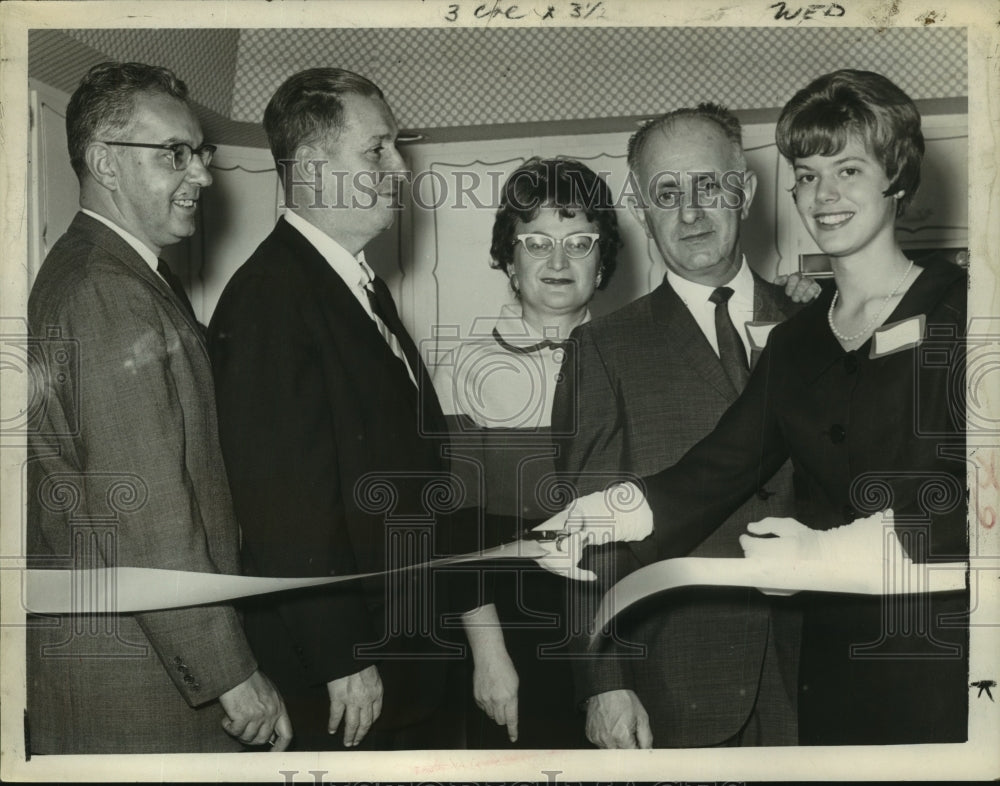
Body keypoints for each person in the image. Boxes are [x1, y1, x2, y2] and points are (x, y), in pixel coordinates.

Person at [547, 69, 968, 746]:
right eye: (806, 173)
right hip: (831, 675)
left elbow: (981, 508)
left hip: (946, 667)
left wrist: (833, 552)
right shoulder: (799, 342)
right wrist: (602, 515)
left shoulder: (967, 309)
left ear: (897, 173)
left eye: (849, 169)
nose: (824, 195)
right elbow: (712, 471)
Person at [26, 61, 291, 754]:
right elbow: (146, 509)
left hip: (143, 656)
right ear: (105, 163)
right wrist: (231, 673)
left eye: (199, 153)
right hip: (140, 682)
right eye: (175, 154)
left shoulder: (118, 273)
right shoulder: (106, 291)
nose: (202, 174)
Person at [208, 67, 462, 751]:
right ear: (315, 168)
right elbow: (286, 511)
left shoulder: (353, 285)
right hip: (348, 681)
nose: (401, 167)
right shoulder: (272, 295)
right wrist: (342, 659)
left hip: (402, 659)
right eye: (377, 150)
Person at [551, 104, 820, 749]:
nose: (690, 213)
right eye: (666, 194)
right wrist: (604, 683)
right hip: (675, 684)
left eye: (709, 186)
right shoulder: (603, 349)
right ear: (643, 211)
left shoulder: (821, 325)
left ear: (745, 191)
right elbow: (583, 542)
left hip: (816, 671)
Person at [433, 157, 620, 748]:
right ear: (509, 261)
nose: (559, 262)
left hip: (618, 607)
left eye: (580, 242)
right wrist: (488, 653)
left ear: (603, 259)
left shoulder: (635, 357)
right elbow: (456, 524)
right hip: (514, 615)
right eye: (536, 243)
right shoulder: (466, 365)